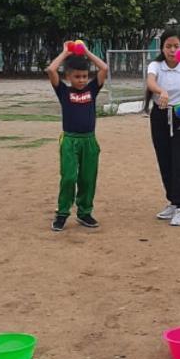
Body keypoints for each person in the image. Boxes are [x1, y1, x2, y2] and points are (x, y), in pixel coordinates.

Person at [45, 40, 108, 232]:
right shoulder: (64, 91)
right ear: (68, 77)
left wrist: (86, 52)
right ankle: (62, 213)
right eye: (77, 76)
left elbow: (104, 68)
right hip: (70, 141)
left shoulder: (92, 89)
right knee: (69, 178)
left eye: (84, 76)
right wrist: (65, 52)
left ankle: (84, 212)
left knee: (88, 179)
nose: (81, 80)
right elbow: (51, 70)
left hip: (89, 140)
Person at [144, 29, 180, 226]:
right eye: (168, 46)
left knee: (179, 161)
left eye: (176, 46)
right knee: (164, 160)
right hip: (160, 115)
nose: (172, 50)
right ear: (162, 48)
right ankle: (172, 201)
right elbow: (150, 82)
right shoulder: (155, 66)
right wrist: (161, 91)